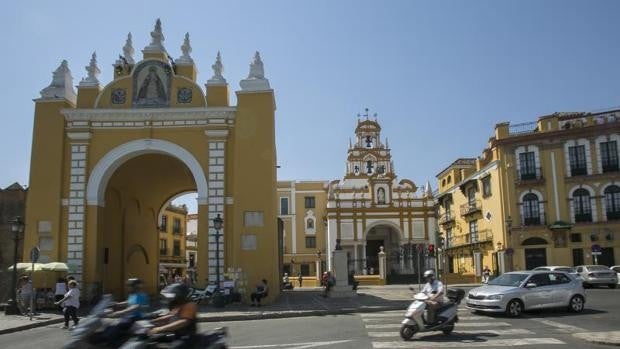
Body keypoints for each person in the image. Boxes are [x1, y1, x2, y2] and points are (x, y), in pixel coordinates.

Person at [148, 283, 197, 348]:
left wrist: (160, 329)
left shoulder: (190, 305)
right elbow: (169, 316)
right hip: (177, 334)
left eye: (174, 296)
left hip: (187, 336)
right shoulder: (178, 304)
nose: (171, 299)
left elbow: (184, 321)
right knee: (152, 340)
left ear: (180, 295)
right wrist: (151, 322)